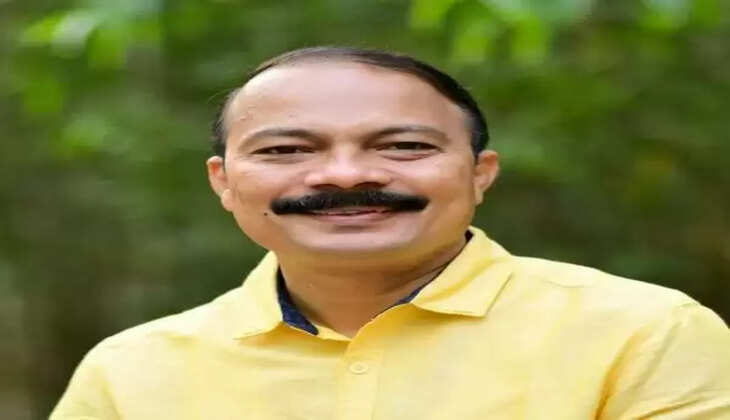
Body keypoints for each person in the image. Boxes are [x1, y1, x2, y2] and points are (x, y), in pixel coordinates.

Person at [51, 46, 730, 420]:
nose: (346, 175)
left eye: (403, 146)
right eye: (286, 150)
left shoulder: (643, 335)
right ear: (223, 181)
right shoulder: (131, 372)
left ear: (480, 173)